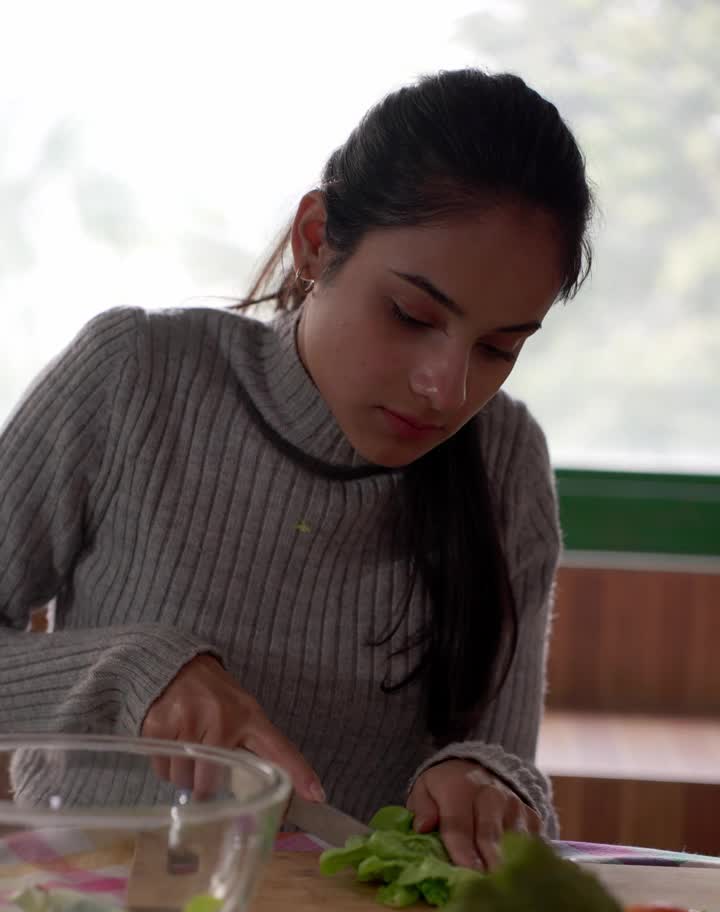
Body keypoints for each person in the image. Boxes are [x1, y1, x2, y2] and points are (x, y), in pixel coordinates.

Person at [0, 68, 593, 868]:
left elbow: (498, 753)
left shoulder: (505, 460)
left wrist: (485, 783)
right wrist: (130, 669)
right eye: (412, 316)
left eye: (499, 348)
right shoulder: (133, 375)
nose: (447, 389)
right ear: (314, 241)